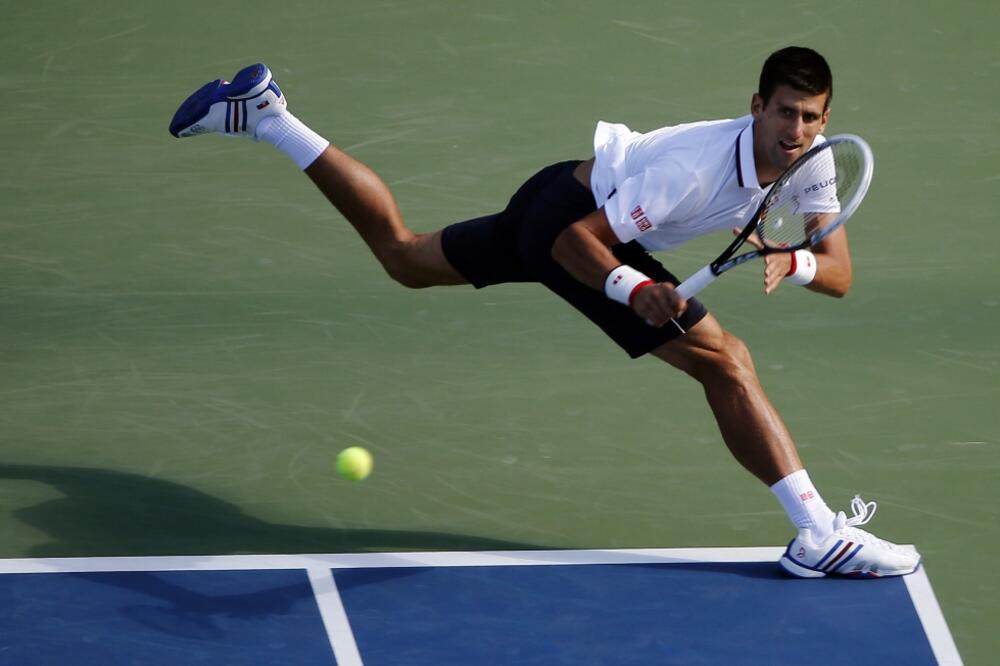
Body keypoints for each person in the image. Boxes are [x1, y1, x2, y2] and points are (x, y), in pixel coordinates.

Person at [169, 46, 920, 578]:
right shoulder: (690, 173)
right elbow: (572, 244)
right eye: (785, 113)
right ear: (756, 106)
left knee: (403, 256)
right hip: (570, 222)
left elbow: (839, 274)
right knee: (727, 362)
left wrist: (793, 261)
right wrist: (634, 290)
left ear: (825, 118)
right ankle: (818, 534)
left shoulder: (814, 162)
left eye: (811, 118)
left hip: (562, 199)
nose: (796, 131)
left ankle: (268, 116)